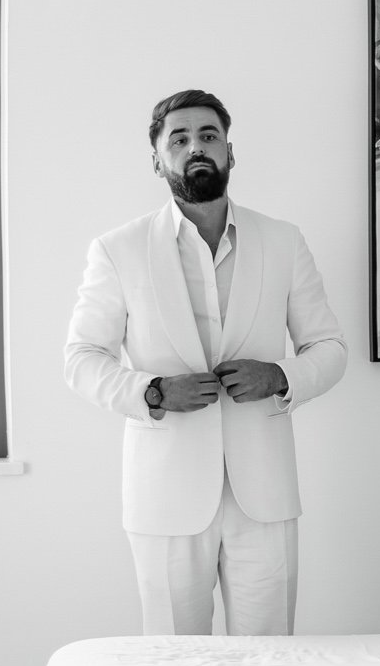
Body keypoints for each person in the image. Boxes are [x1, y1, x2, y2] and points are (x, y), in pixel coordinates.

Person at [65, 89, 347, 635]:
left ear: (230, 153)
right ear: (157, 159)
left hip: (263, 495)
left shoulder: (283, 242)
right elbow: (81, 359)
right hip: (165, 500)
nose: (196, 146)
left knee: (269, 664)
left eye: (208, 136)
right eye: (180, 138)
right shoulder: (117, 250)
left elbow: (329, 349)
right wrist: (152, 392)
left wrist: (281, 375)